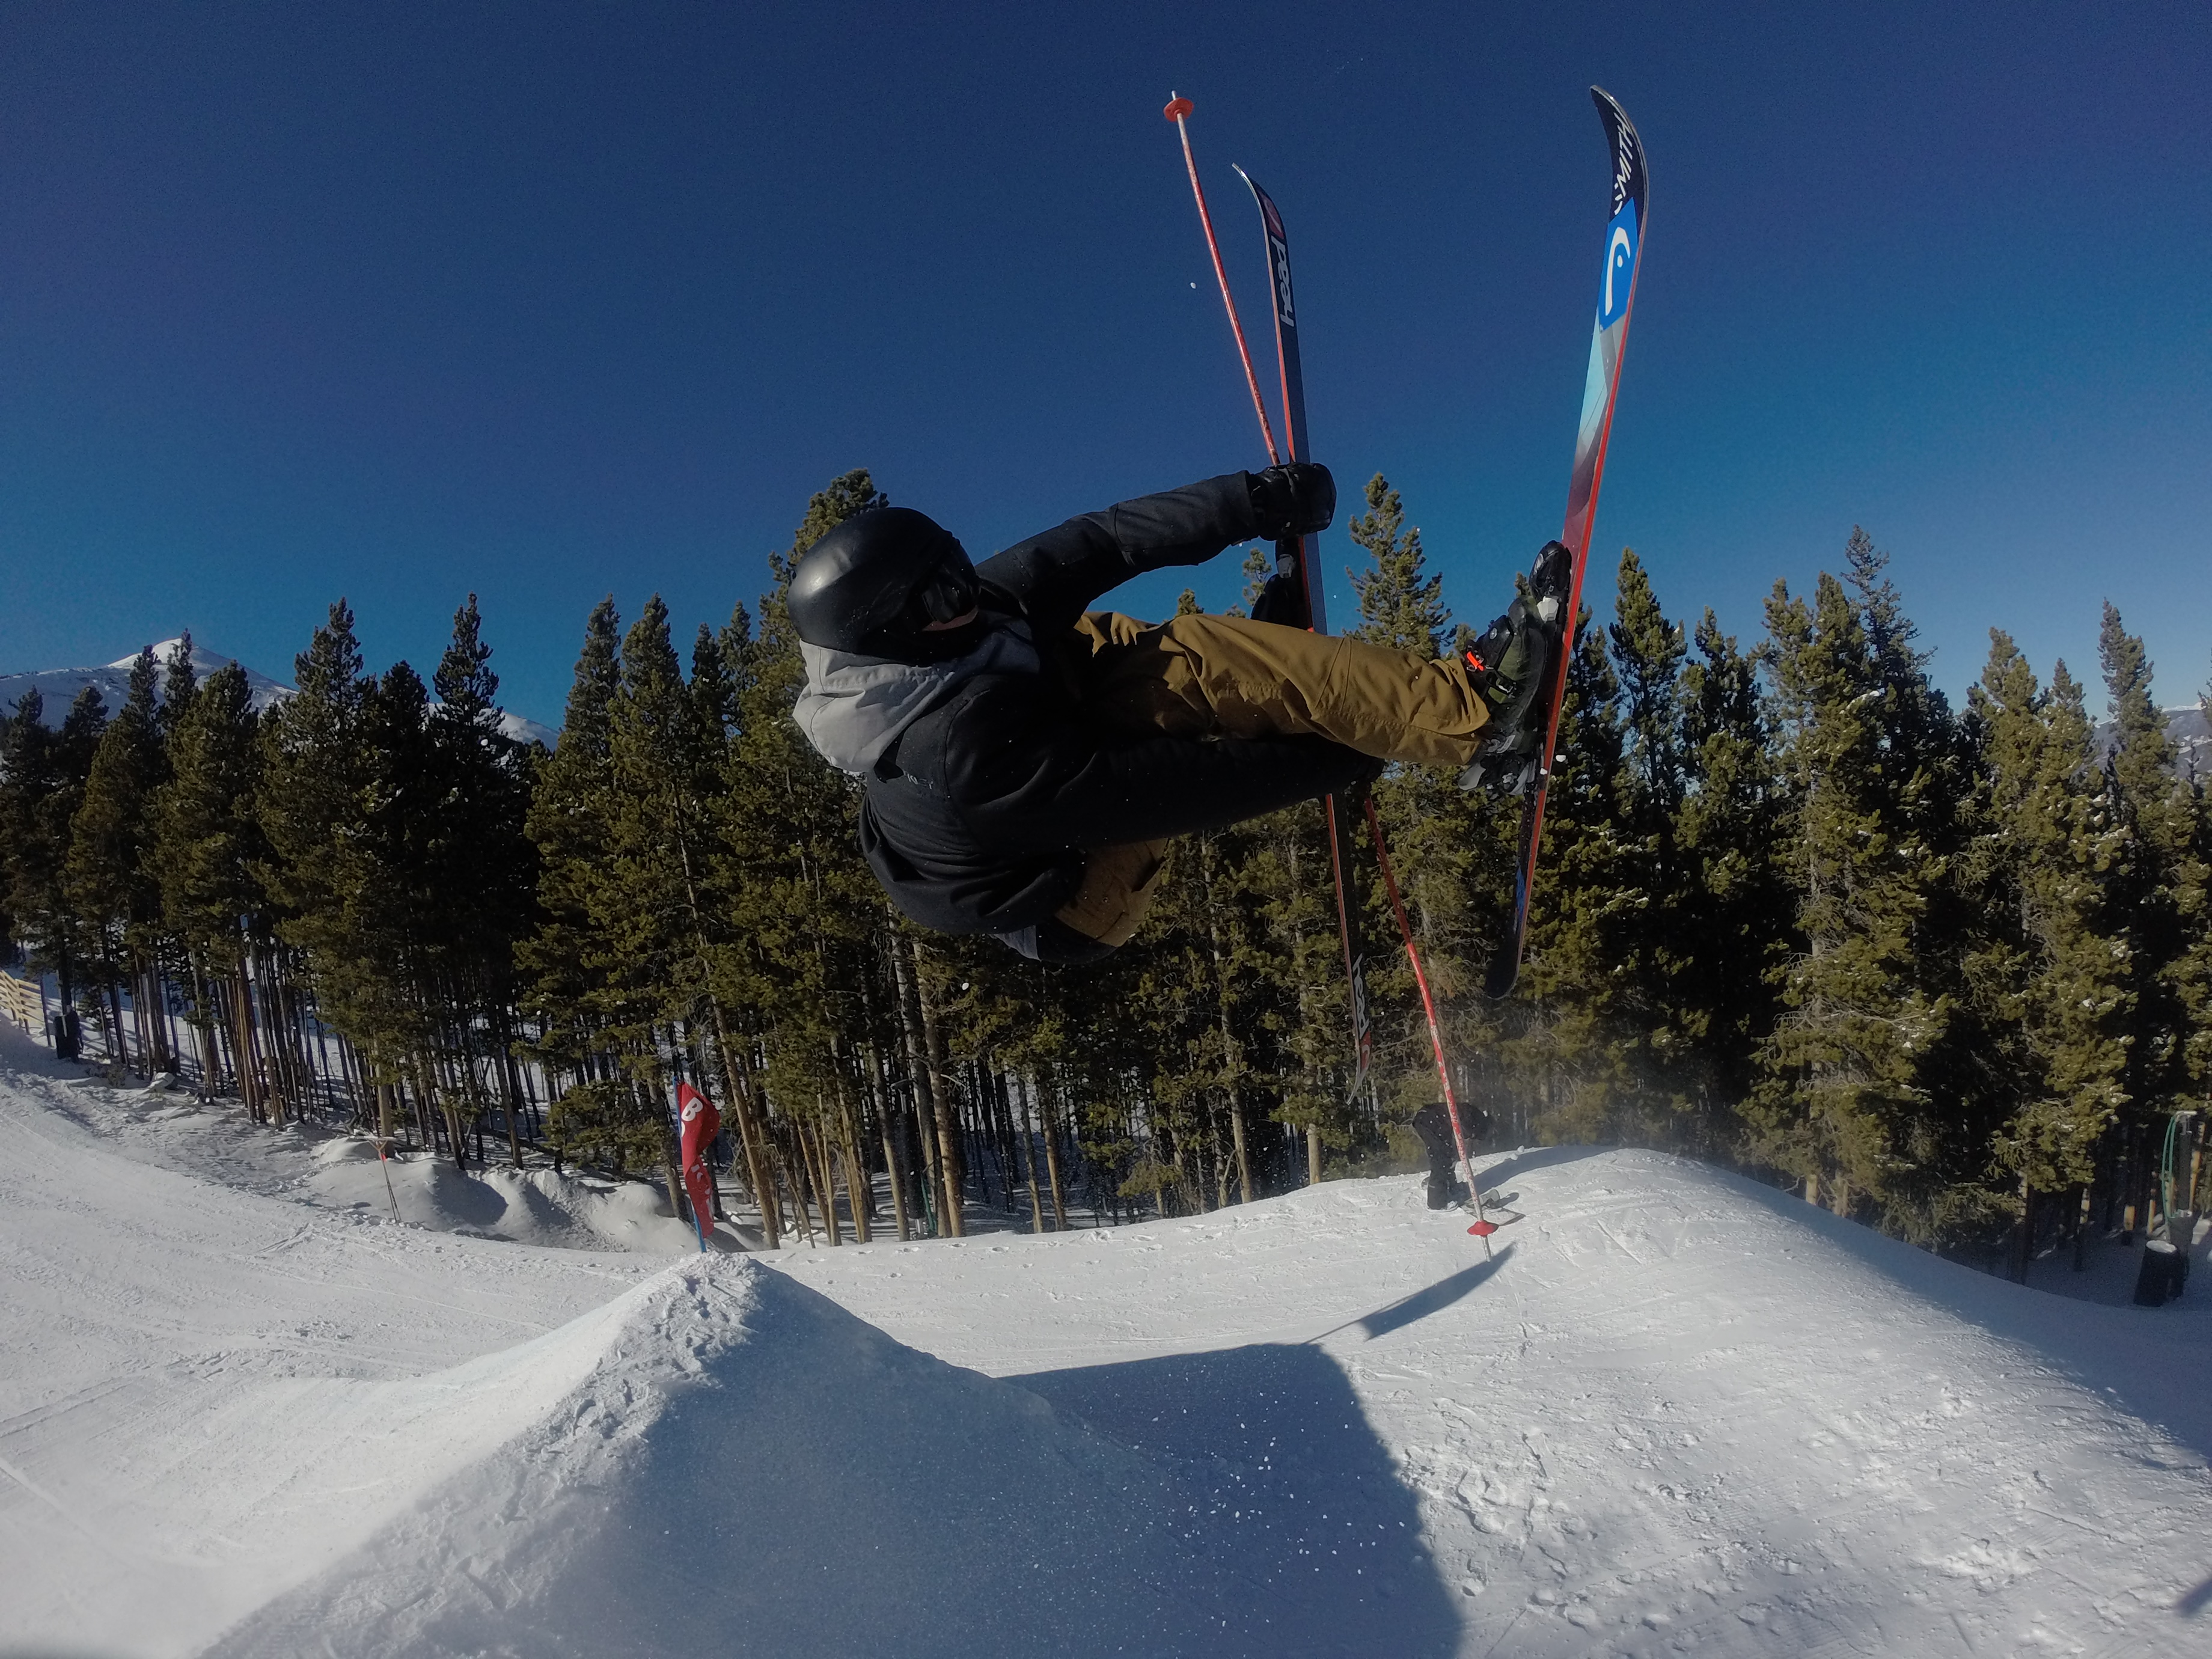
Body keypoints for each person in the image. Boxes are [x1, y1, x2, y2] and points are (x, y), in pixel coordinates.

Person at [788, 465, 1567, 964]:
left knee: (1093, 639)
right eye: (947, 593)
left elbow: (1098, 543)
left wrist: (1250, 503)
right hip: (1071, 903)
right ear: (888, 637)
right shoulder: (956, 756)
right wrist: (1351, 750)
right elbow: (1181, 787)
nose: (970, 589)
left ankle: (1300, 673)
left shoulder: (960, 620)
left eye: (959, 564)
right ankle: (1472, 716)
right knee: (1179, 667)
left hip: (1040, 768)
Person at [1411, 1100, 1493, 1210]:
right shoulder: (1474, 1119)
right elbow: (1465, 1131)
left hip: (1430, 1119)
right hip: (1432, 1121)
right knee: (1441, 1161)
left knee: (1449, 1156)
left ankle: (1450, 1186)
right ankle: (1437, 1203)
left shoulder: (1472, 1113)